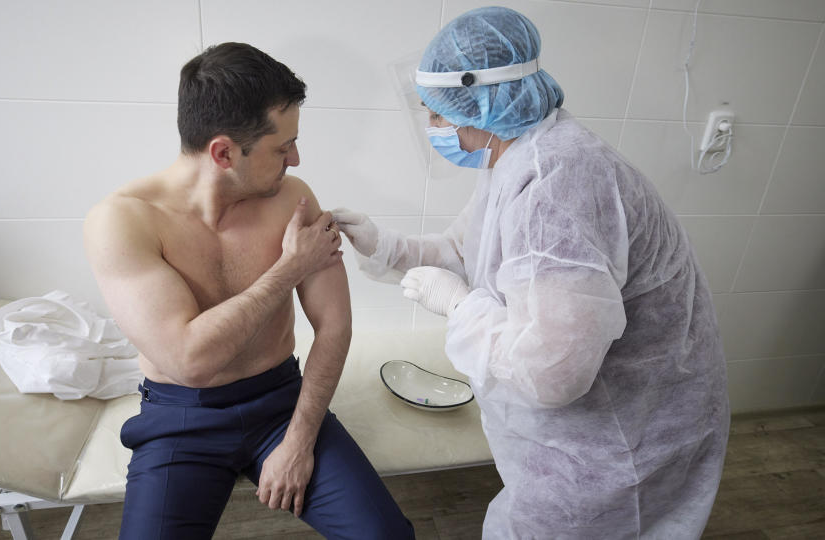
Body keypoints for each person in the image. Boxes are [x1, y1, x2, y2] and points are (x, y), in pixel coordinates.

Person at [334, 7, 729, 539]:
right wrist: (382, 246)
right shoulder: (520, 156)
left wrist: (459, 306)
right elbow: (466, 248)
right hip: (593, 432)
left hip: (620, 443)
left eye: (437, 113)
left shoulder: (559, 185)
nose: (432, 128)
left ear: (483, 100)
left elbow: (553, 372)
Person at [84, 42, 414, 540]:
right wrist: (289, 268)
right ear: (223, 152)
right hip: (180, 416)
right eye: (282, 147)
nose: (297, 159)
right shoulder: (123, 221)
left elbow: (335, 324)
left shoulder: (294, 200)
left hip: (281, 403)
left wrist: (300, 441)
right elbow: (190, 360)